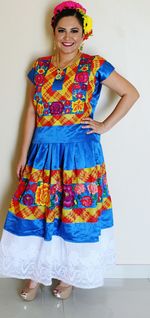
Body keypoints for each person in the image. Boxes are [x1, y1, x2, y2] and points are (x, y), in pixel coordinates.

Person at [0, 0, 139, 301]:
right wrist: (22, 154)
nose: (68, 37)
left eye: (74, 30)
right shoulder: (38, 68)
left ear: (83, 34)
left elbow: (131, 93)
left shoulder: (95, 65)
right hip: (43, 153)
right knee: (38, 212)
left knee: (73, 214)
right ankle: (36, 275)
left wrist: (104, 124)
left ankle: (68, 276)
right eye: (62, 30)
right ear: (53, 31)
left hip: (80, 155)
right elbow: (30, 112)